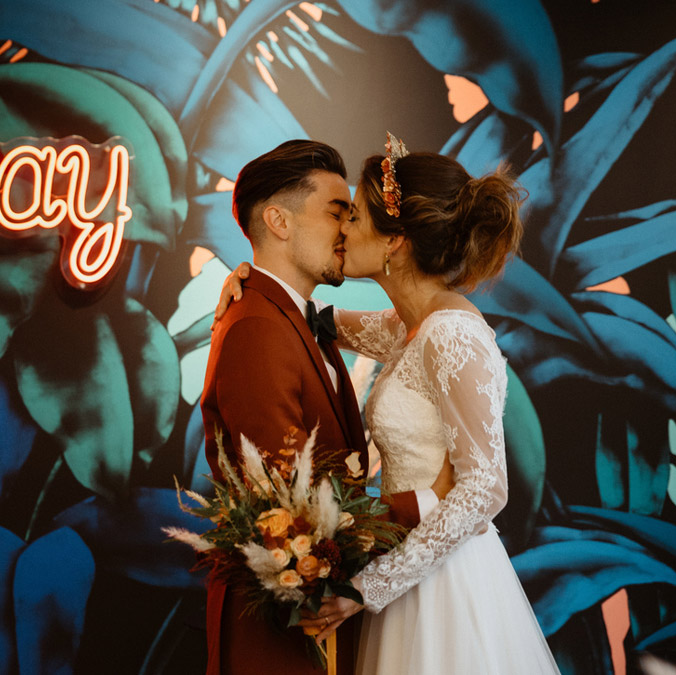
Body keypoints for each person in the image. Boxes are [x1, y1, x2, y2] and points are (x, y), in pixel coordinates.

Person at [215, 134, 560, 674]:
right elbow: (311, 319)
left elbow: (487, 488)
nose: (344, 229)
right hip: (394, 576)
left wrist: (368, 588)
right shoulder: (407, 327)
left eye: (353, 215)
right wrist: (245, 284)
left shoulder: (452, 334)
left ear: (395, 239)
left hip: (440, 581)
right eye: (339, 212)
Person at [200, 139, 451, 675]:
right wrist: (429, 503)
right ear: (279, 221)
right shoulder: (258, 329)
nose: (348, 229)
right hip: (282, 632)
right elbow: (294, 510)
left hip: (324, 612)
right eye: (338, 212)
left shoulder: (297, 318)